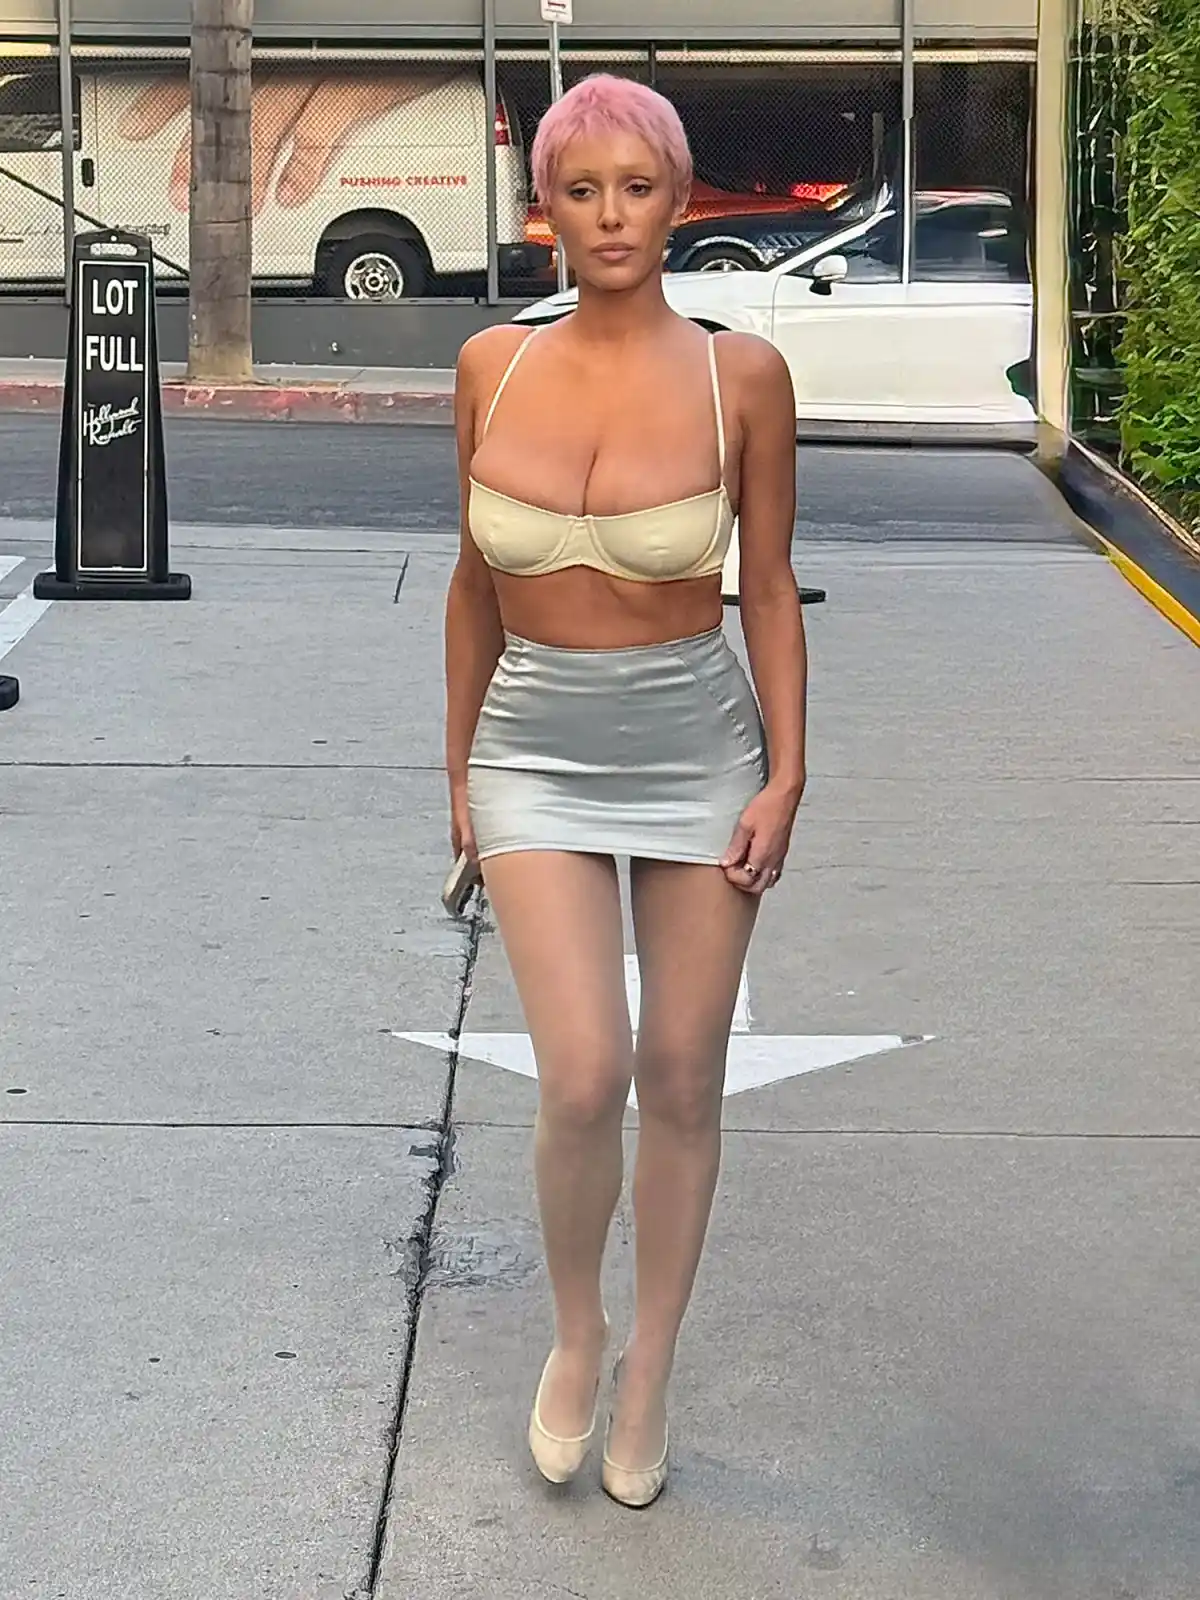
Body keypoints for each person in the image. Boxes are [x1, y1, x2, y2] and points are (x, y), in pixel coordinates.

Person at [444, 74, 807, 1508]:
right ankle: (578, 1333)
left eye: (637, 189)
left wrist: (788, 774)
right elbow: (473, 587)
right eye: (581, 190)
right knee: (585, 1073)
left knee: (684, 1076)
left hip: (698, 750)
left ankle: (651, 1362)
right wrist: (458, 771)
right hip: (530, 745)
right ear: (545, 208)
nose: (610, 216)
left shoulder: (741, 377)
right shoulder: (491, 366)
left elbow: (767, 588)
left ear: (679, 200)